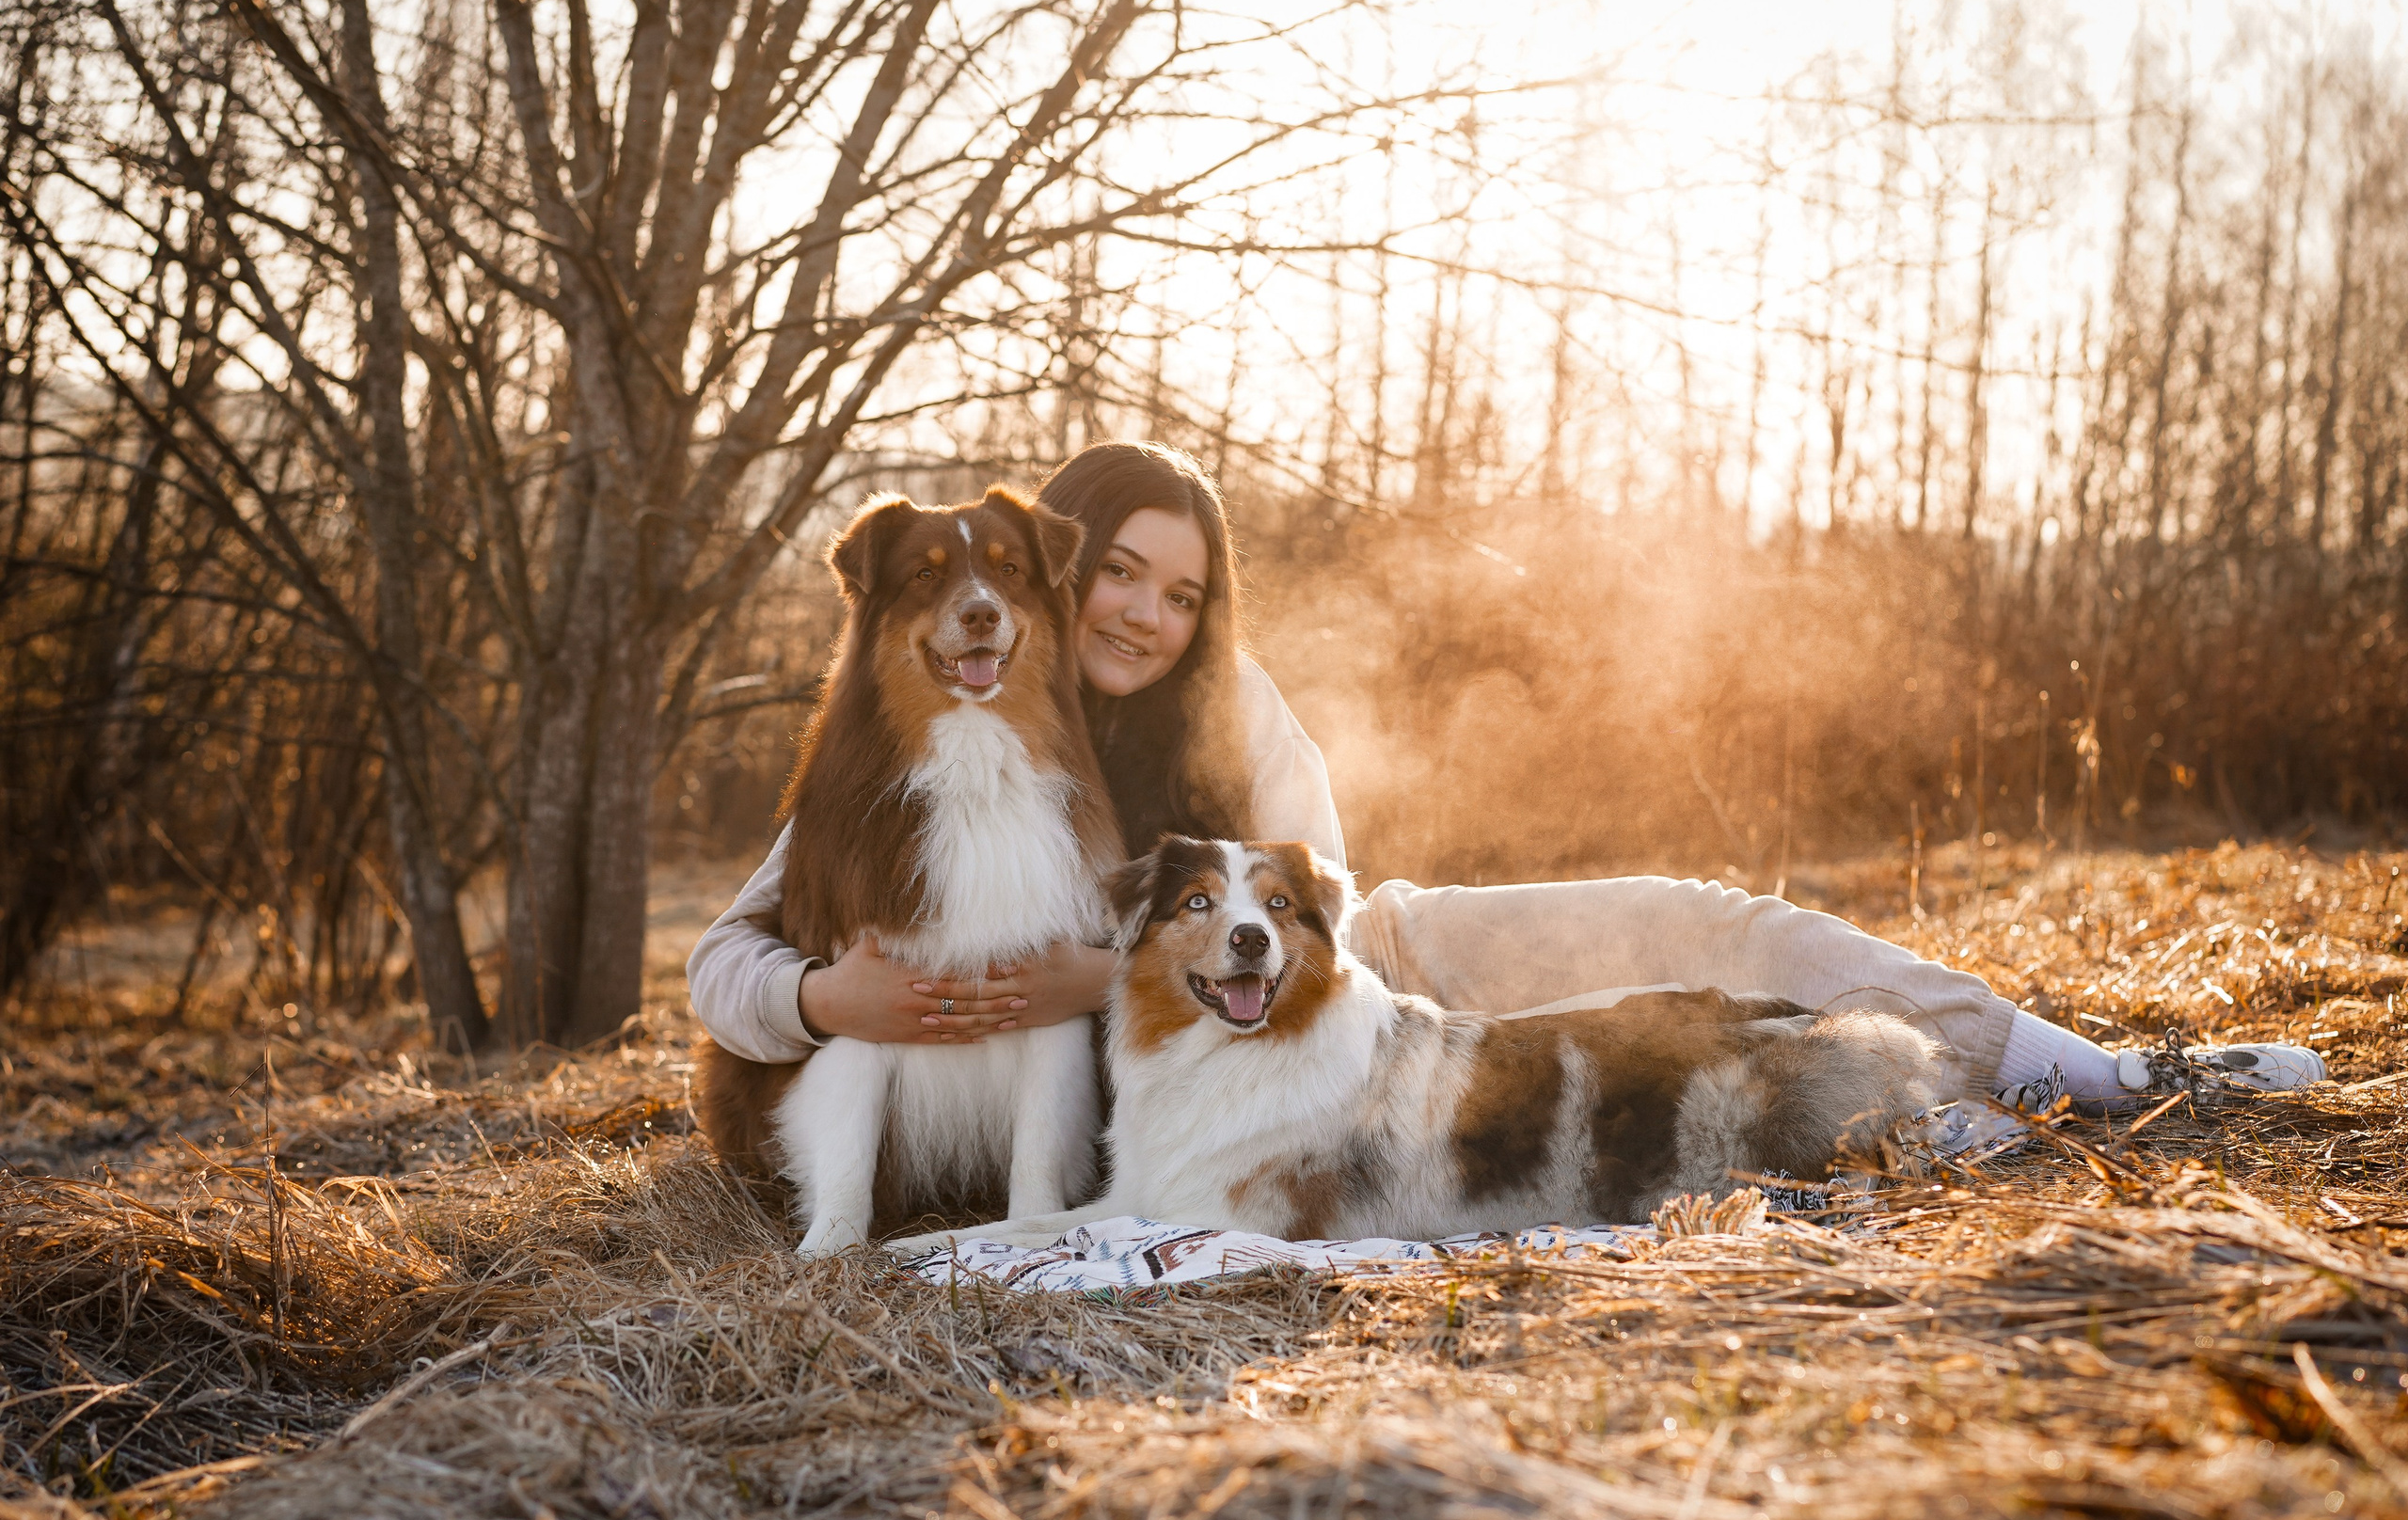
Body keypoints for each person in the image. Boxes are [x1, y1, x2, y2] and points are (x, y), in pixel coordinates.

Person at [688, 441, 2324, 1127]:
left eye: (1182, 593)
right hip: (1207, 1105)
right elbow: (730, 960)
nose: (1143, 614)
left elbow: (1312, 918)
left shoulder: (1234, 707)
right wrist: (833, 1005)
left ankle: (2103, 1073)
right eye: (1116, 571)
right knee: (1693, 1069)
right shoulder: (926, 734)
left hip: (1377, 980)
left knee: (1705, 928)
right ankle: (1931, 1118)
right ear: (1049, 568)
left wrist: (1087, 970)